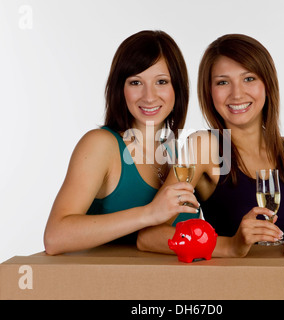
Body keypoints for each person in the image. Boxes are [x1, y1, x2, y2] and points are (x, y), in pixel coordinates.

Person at [137, 34, 284, 258]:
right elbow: (149, 237)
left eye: (249, 79)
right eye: (223, 82)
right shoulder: (204, 147)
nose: (237, 93)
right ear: (209, 92)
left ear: (267, 85)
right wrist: (230, 246)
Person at [44, 30, 198, 255]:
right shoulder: (101, 145)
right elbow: (55, 237)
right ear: (120, 89)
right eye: (136, 82)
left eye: (161, 82)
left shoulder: (179, 156)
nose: (149, 96)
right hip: (106, 288)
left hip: (169, 287)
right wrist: (149, 213)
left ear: (178, 90)